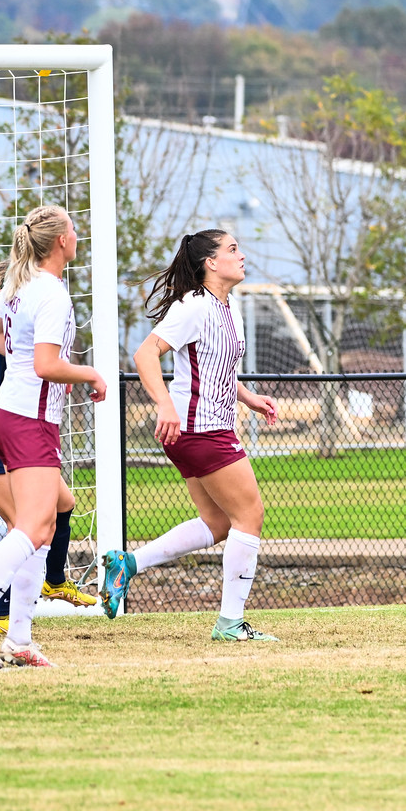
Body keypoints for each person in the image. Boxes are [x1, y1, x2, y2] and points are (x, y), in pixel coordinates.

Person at [0, 206, 107, 668]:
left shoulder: (20, 284)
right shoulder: (51, 293)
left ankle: (18, 638)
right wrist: (91, 373)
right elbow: (46, 366)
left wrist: (17, 353)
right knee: (31, 527)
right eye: (74, 229)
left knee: (46, 524)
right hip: (27, 419)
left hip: (20, 416)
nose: (78, 235)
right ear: (59, 242)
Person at [101, 230, 282, 641]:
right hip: (199, 429)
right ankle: (230, 624)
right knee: (250, 517)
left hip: (198, 429)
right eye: (233, 249)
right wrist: (164, 405)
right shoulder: (193, 306)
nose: (242, 255)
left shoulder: (227, 307)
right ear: (211, 263)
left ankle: (128, 565)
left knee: (218, 523)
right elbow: (145, 354)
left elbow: (217, 367)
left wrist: (248, 397)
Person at [0, 284, 100, 634]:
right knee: (25, 527)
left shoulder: (29, 340)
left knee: (64, 503)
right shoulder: (0, 346)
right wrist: (17, 421)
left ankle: (55, 580)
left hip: (12, 436)